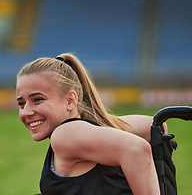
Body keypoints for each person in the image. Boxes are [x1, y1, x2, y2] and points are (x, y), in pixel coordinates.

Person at [16, 53, 162, 195]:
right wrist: (107, 124)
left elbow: (136, 149)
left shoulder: (65, 135)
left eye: (38, 99)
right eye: (21, 104)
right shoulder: (86, 131)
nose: (26, 112)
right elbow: (155, 126)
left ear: (70, 100)